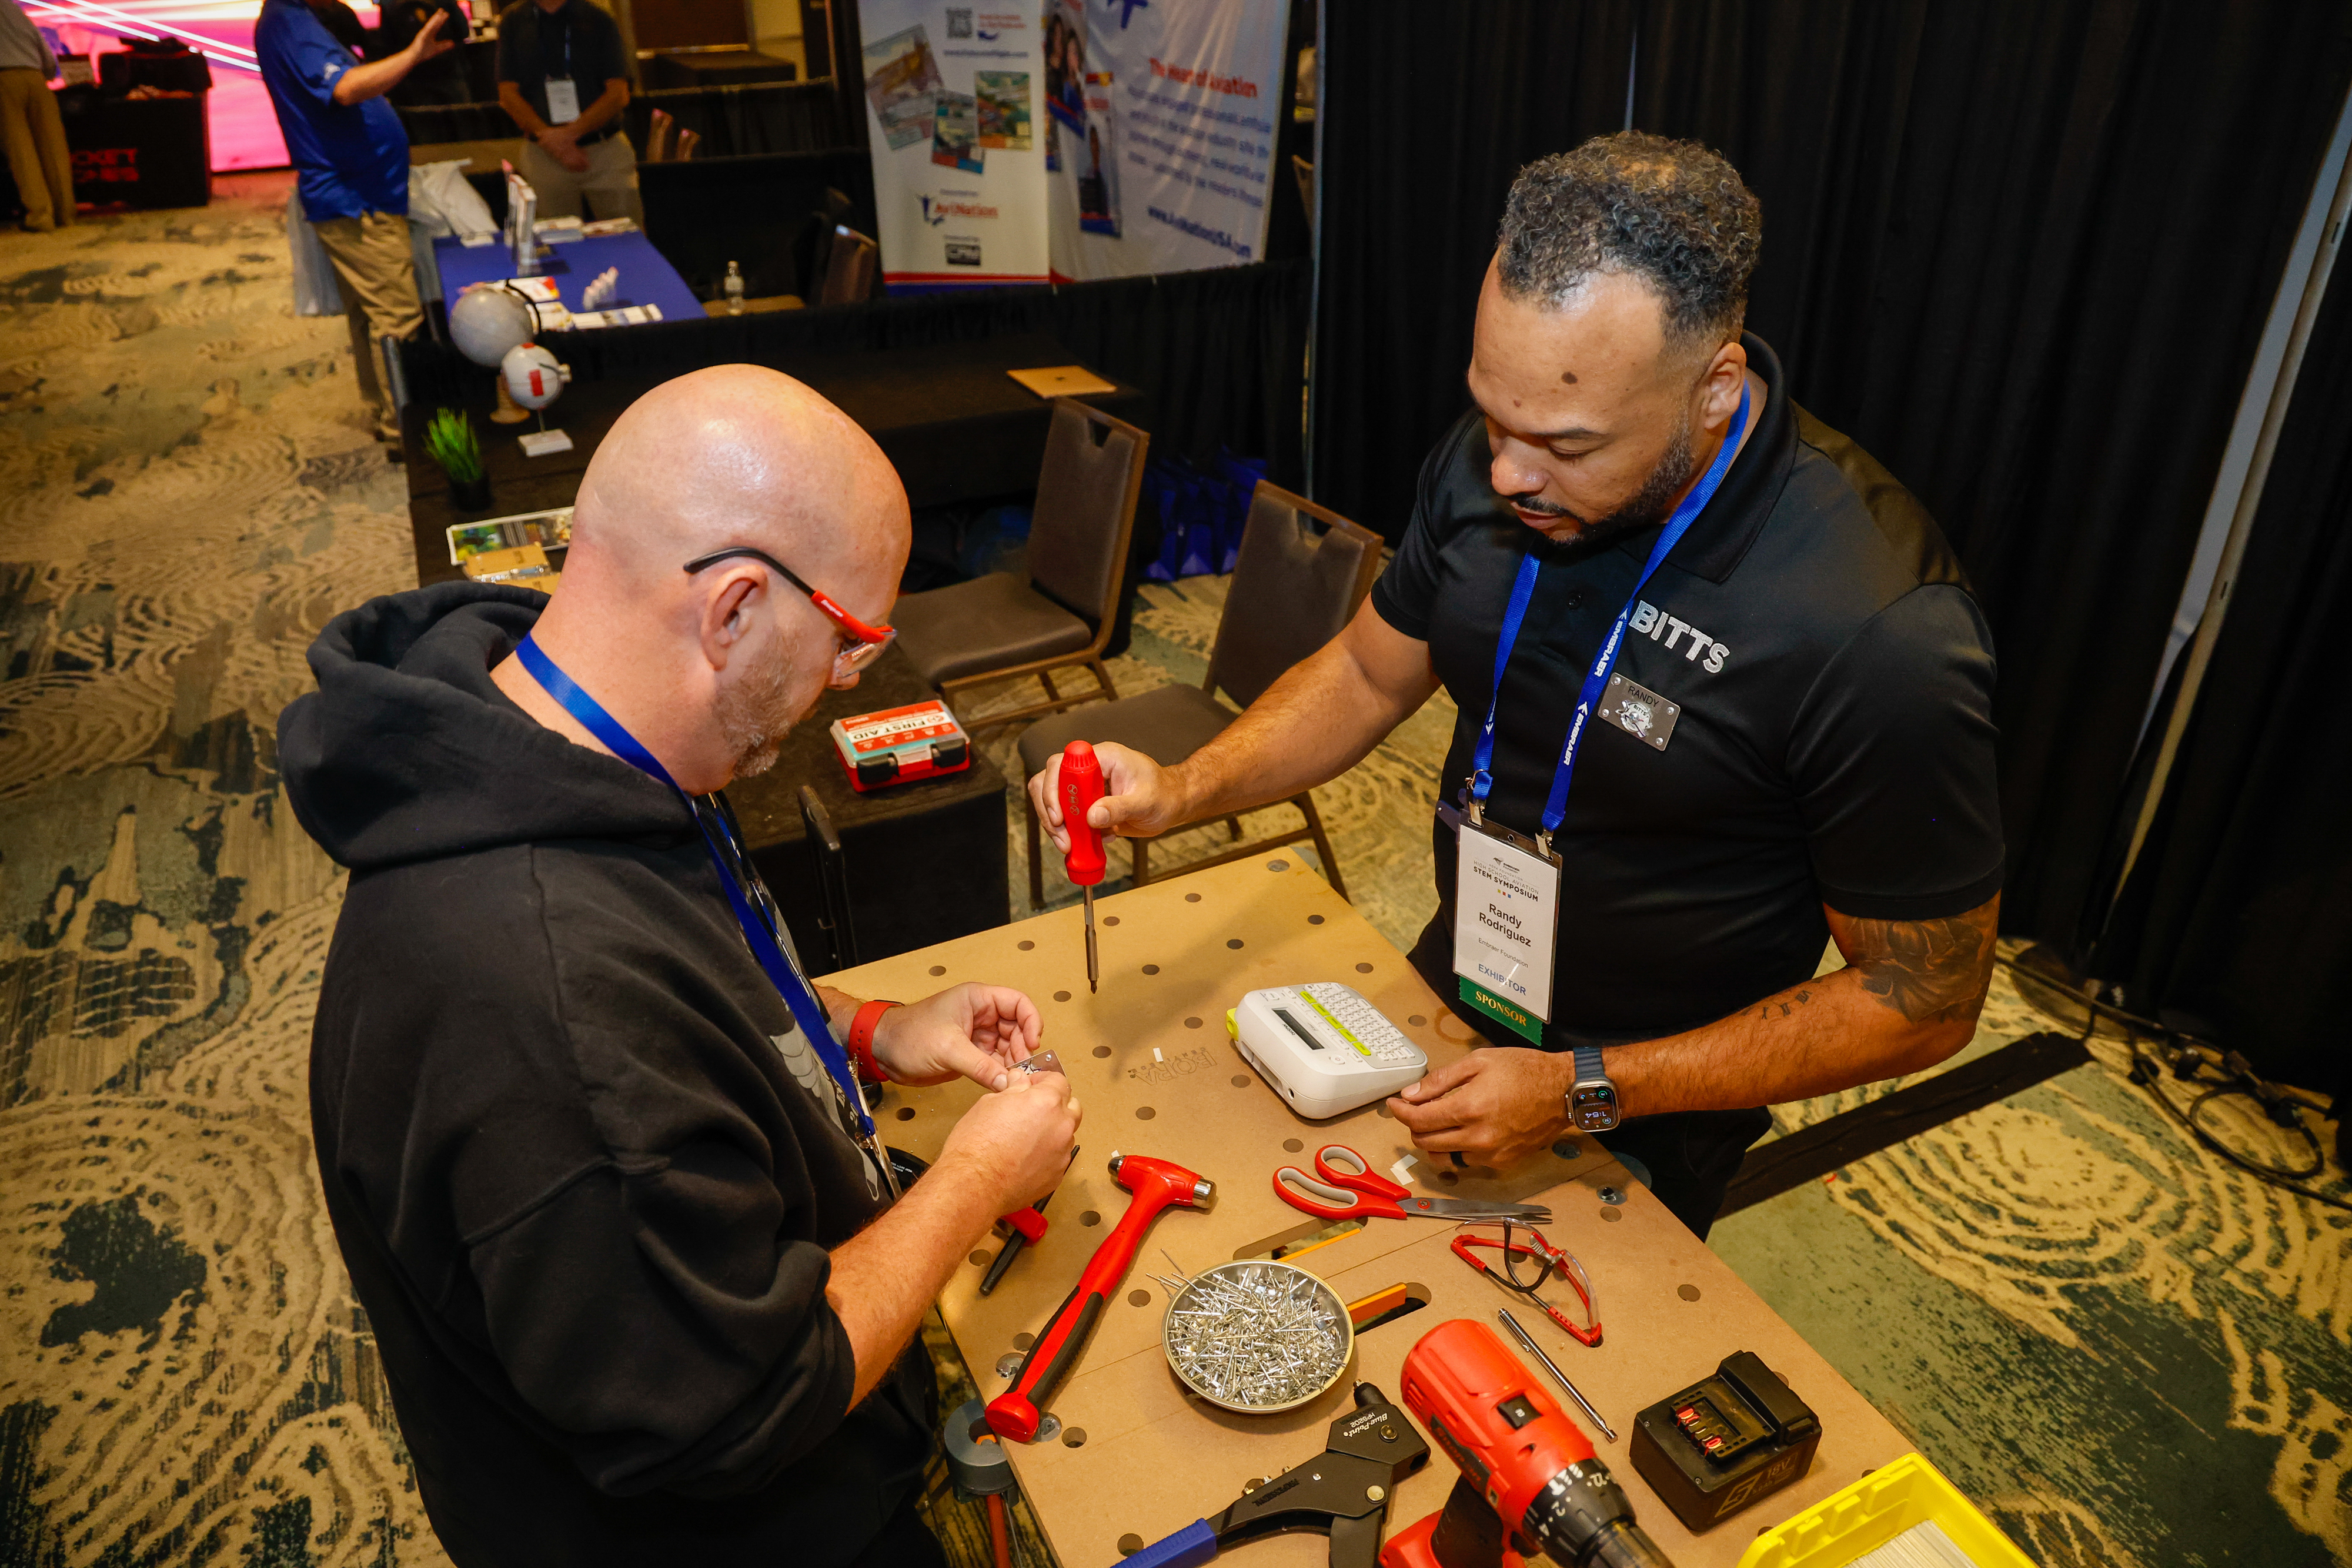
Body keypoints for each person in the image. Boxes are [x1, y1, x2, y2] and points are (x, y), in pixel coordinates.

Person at [1033, 133, 2004, 1238]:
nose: (1505, 473)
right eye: (1492, 416)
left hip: (1652, 1094)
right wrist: (1182, 790)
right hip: (1456, 988)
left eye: (1564, 444)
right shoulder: (1501, 457)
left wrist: (1585, 1087)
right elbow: (1364, 668)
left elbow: (1924, 998)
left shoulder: (1877, 626)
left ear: (1715, 390)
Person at [279, 365, 1081, 1567]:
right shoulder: (543, 1012)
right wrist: (969, 1179)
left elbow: (694, 1002)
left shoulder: (579, 739)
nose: (852, 679)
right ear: (734, 609)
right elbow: (742, 1407)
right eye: (853, 637)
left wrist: (871, 1029)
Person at [256, 0, 452, 444]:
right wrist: (411, 56)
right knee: (396, 317)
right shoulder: (290, 21)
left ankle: (387, 414)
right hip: (355, 198)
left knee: (370, 315)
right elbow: (345, 89)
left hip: (359, 192)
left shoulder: (296, 19)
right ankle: (408, 430)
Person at [495, 0, 642, 227]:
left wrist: (567, 136)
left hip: (605, 154)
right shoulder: (513, 20)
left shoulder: (598, 17)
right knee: (557, 248)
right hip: (543, 157)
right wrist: (553, 142)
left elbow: (618, 94)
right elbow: (507, 94)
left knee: (627, 245)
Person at [0, 0, 73, 232]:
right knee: (53, 148)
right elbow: (39, 42)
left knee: (22, 150)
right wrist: (48, 75)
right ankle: (66, 213)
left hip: (3, 80)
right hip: (35, 76)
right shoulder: (11, 7)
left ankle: (41, 215)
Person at [380, 0, 473, 106]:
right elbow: (463, 31)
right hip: (449, 70)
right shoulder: (445, 2)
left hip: (412, 75)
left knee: (424, 119)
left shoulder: (388, 3)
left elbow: (387, 42)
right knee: (460, 118)